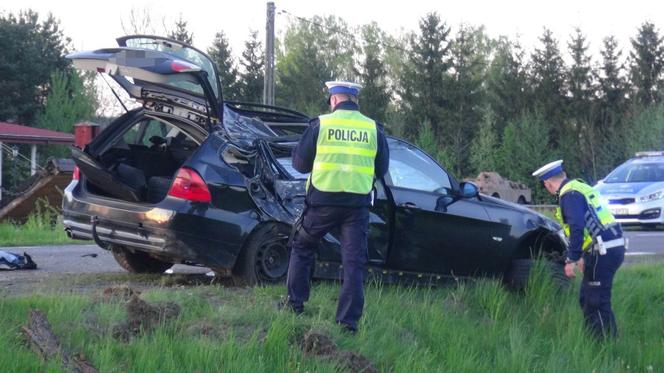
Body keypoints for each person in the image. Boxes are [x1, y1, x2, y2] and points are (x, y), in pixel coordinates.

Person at [282, 81, 389, 333]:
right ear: (356, 101)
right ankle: (348, 324)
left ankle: (294, 304)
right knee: (353, 263)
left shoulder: (321, 125)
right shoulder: (373, 129)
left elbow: (299, 165)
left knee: (302, 246)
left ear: (333, 101)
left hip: (322, 203)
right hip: (356, 206)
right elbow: (382, 170)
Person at [532, 160, 625, 339]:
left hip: (602, 250)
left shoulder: (569, 195)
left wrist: (571, 259)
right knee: (587, 297)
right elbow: (589, 226)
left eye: (546, 187)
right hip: (608, 246)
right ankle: (598, 340)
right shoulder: (579, 187)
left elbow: (576, 227)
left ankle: (604, 345)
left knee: (596, 301)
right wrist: (583, 255)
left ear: (547, 183)